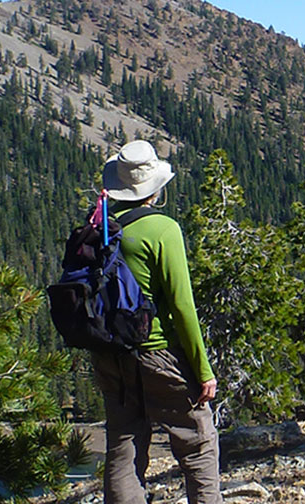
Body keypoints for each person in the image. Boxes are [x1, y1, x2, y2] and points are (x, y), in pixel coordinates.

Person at [94, 140, 221, 504]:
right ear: (155, 188)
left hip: (110, 354)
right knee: (198, 446)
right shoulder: (162, 230)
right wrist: (202, 370)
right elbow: (182, 306)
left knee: (124, 447)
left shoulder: (102, 226)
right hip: (158, 354)